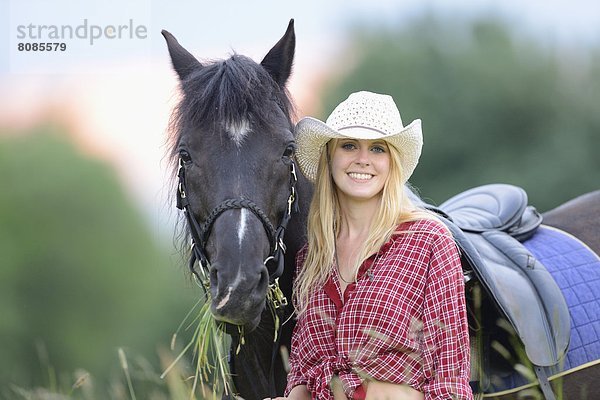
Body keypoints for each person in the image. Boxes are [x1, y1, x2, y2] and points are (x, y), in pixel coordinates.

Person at [272, 91, 472, 400]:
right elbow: (301, 370)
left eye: (377, 148)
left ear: (391, 162)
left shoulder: (428, 240)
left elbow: (449, 381)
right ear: (330, 156)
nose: (362, 159)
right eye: (349, 145)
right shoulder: (311, 257)